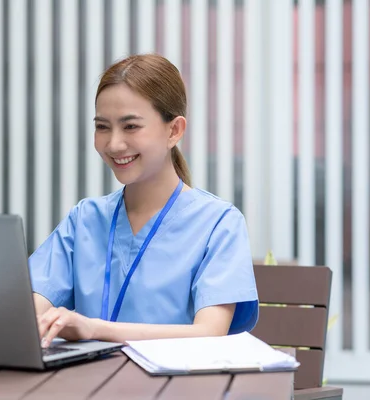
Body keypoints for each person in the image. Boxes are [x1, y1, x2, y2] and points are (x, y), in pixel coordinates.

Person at [29, 54, 258, 349]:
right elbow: (30, 308)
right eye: (102, 127)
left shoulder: (219, 223)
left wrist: (93, 328)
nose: (113, 144)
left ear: (174, 130)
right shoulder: (85, 218)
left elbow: (210, 334)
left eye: (131, 127)